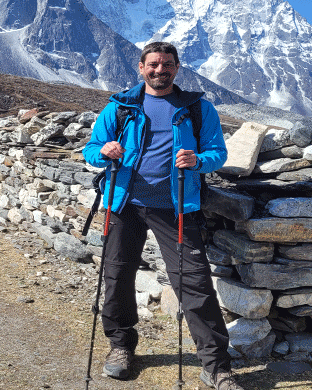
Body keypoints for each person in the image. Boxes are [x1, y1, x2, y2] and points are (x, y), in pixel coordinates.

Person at [82, 42, 243, 390]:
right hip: (124, 205)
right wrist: (104, 150)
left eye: (167, 64)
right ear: (141, 68)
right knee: (117, 276)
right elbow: (92, 150)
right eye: (153, 64)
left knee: (194, 283)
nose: (160, 70)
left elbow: (217, 152)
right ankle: (121, 347)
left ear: (177, 68)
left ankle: (216, 367)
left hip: (176, 208)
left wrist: (198, 160)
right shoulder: (121, 106)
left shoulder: (198, 108)